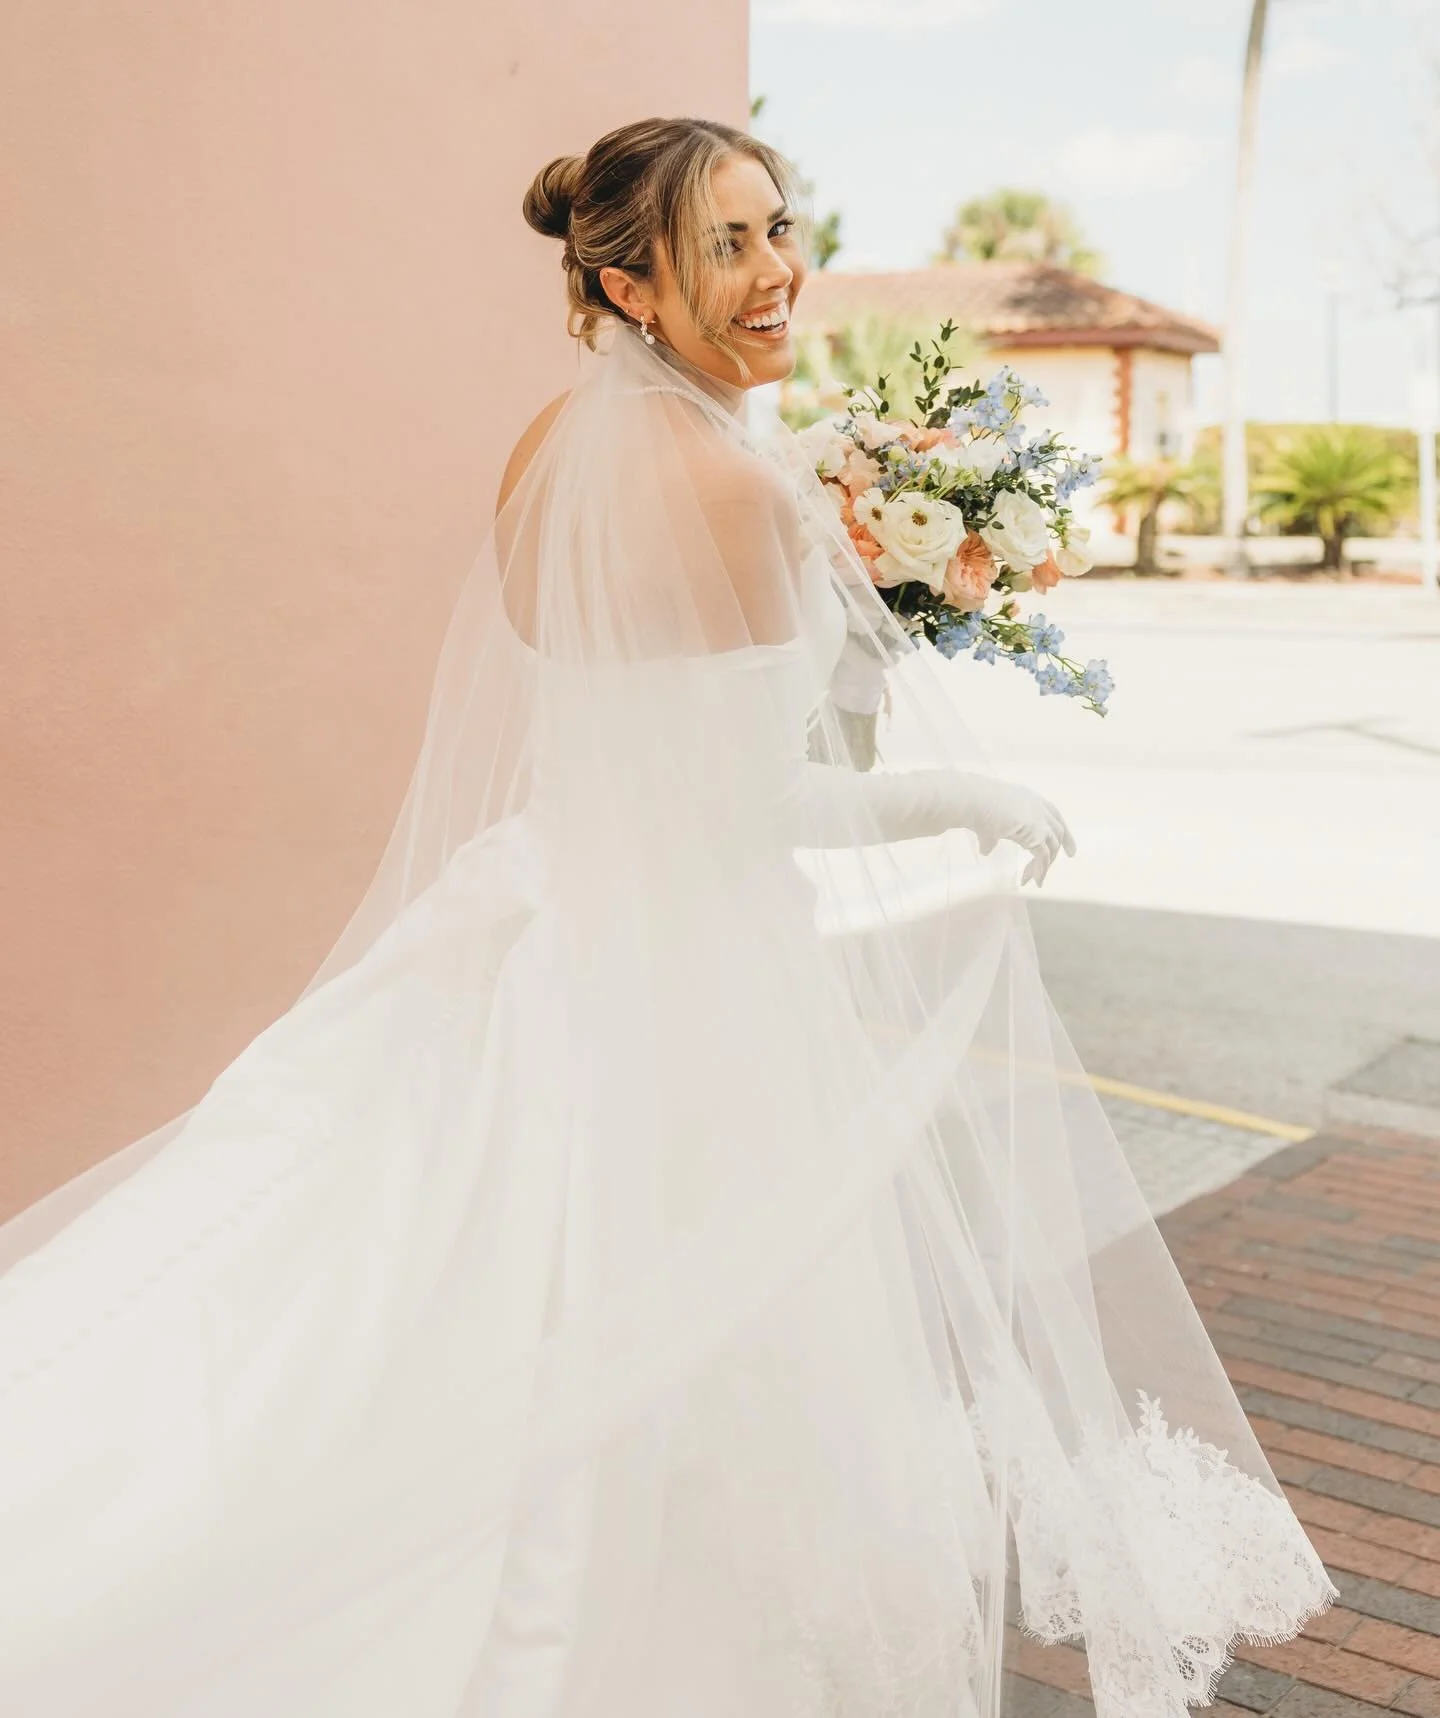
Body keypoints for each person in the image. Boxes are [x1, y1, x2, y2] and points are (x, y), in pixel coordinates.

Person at [0, 116, 1334, 1718]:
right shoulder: (743, 493)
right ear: (631, 285)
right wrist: (961, 796)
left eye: (781, 229)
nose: (778, 273)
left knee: (378, 1306)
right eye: (730, 247)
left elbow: (621, 751)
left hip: (527, 935)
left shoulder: (544, 455)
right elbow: (762, 806)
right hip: (681, 994)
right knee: (667, 1360)